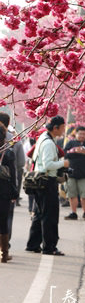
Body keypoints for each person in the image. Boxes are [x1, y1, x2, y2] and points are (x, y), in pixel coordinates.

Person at [26, 115, 68, 256]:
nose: (63, 130)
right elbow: (48, 165)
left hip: (40, 181)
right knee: (49, 216)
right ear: (55, 128)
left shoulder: (43, 138)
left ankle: (33, 244)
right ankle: (49, 247)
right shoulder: (49, 143)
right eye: (62, 127)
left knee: (39, 214)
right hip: (47, 181)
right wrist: (64, 163)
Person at [0, 112, 25, 247]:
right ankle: (5, 247)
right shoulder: (14, 139)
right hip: (8, 183)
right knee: (7, 215)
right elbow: (21, 162)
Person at [64, 125, 85, 220]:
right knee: (72, 194)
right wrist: (75, 151)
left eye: (84, 134)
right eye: (80, 133)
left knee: (84, 194)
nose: (82, 135)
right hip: (71, 173)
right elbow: (65, 155)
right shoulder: (70, 143)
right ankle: (73, 213)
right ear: (76, 134)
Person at [0, 123, 17, 263]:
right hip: (4, 191)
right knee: (3, 222)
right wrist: (14, 193)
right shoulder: (8, 152)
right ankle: (4, 254)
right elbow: (13, 175)